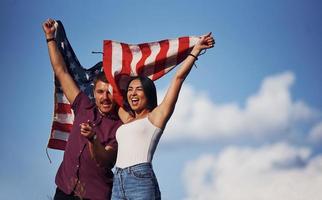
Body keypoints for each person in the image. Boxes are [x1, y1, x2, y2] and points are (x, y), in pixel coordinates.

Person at [111, 33, 215, 199]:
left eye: (138, 89)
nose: (133, 93)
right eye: (130, 90)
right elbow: (110, 95)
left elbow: (178, 79)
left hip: (140, 180)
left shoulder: (156, 116)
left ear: (148, 93)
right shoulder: (128, 120)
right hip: (117, 181)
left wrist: (195, 50)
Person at [43, 18, 122, 200]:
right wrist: (49, 38)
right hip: (64, 190)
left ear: (116, 94)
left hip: (94, 196)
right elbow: (61, 71)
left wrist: (93, 139)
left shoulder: (120, 126)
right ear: (94, 92)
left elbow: (106, 159)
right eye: (101, 92)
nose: (105, 97)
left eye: (110, 92)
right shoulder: (83, 105)